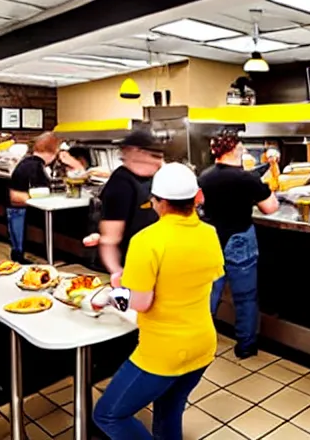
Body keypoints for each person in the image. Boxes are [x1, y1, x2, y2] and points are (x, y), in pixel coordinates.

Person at [91, 163, 224, 440]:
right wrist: (128, 280)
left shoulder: (146, 240)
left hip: (163, 353)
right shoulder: (209, 234)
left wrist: (111, 296)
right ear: (197, 197)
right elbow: (184, 279)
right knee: (168, 411)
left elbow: (140, 302)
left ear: (157, 202)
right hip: (202, 346)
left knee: (108, 415)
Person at [199, 130, 279, 359]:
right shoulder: (246, 179)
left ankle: (201, 344)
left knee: (209, 294)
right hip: (240, 240)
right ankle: (246, 346)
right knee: (245, 297)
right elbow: (270, 208)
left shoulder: (204, 176)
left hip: (212, 239)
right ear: (236, 149)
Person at [98, 130, 164, 283]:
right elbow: (110, 239)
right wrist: (117, 272)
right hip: (130, 266)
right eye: (154, 156)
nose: (159, 162)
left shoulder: (155, 178)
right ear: (135, 153)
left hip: (155, 263)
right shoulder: (121, 184)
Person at [7, 132, 60, 263]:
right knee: (20, 234)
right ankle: (20, 256)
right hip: (20, 205)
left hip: (13, 204)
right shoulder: (37, 166)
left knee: (14, 234)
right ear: (52, 152)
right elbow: (41, 188)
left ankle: (17, 253)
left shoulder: (25, 162)